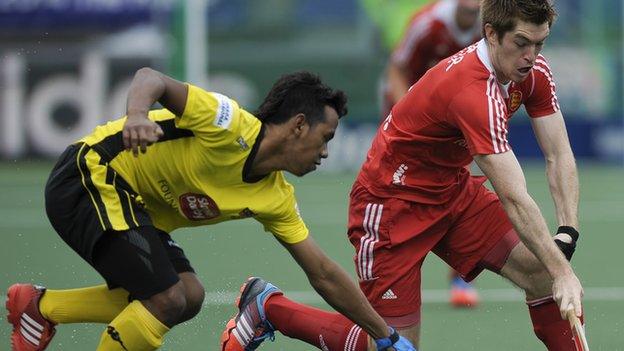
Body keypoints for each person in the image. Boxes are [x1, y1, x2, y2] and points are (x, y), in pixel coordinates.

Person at [221, 0, 585, 349]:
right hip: (391, 205)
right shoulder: (473, 91)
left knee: (540, 272)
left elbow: (558, 154)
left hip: (451, 190)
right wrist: (564, 274)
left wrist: (567, 232)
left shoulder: (534, 72)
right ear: (491, 34)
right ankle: (268, 308)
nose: (531, 56)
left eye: (539, 43)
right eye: (521, 43)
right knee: (391, 345)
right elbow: (513, 195)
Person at [6, 69, 415, 351]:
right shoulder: (228, 124)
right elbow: (150, 78)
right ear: (297, 126)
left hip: (130, 205)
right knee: (165, 298)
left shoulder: (275, 196)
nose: (325, 152)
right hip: (90, 174)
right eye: (324, 137)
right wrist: (136, 115)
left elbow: (323, 273)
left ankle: (41, 307)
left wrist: (385, 336)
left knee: (188, 295)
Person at [380, 0, 483, 307]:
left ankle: (460, 281)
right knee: (400, 200)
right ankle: (391, 280)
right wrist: (405, 117)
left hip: (458, 115)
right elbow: (397, 69)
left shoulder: (490, 25)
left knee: (467, 196)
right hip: (412, 114)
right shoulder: (429, 23)